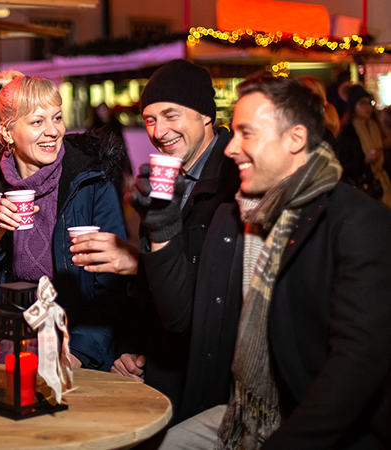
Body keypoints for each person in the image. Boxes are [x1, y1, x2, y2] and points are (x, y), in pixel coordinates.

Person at [142, 75, 391, 449]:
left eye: (247, 133)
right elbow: (182, 314)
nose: (230, 148)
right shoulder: (237, 217)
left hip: (326, 427)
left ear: (294, 139)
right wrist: (162, 222)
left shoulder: (355, 221)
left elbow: (356, 366)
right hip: (242, 413)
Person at [71, 59, 240, 425]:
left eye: (171, 115)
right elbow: (160, 293)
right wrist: (133, 349)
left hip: (213, 384)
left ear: (204, 115)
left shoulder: (235, 180)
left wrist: (136, 261)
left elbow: (207, 289)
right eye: (149, 119)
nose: (159, 130)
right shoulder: (170, 178)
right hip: (165, 368)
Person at [0, 71, 130, 370]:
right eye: (37, 122)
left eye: (57, 118)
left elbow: (113, 284)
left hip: (78, 345)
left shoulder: (91, 178)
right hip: (9, 346)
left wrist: (79, 352)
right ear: (7, 132)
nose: (53, 131)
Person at [336, 84, 391, 207]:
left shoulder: (377, 127)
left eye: (369, 103)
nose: (367, 107)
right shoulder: (348, 133)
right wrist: (364, 160)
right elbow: (342, 166)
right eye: (362, 103)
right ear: (353, 107)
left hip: (382, 184)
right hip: (362, 189)